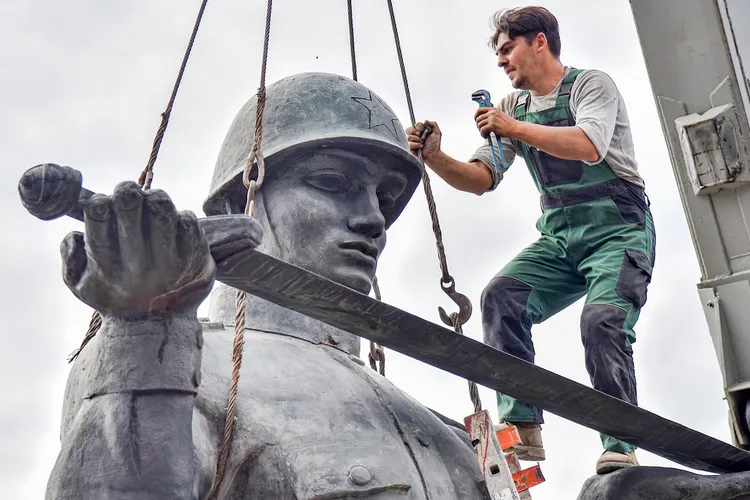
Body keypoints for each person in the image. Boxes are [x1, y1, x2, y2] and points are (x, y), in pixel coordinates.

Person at [44, 72, 492, 499]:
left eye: (386, 197)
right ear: (239, 200)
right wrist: (143, 336)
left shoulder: (444, 436)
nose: (374, 218)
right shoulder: (181, 363)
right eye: (332, 182)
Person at [406, 6, 655, 475]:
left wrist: (512, 128)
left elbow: (589, 145)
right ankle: (522, 427)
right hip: (561, 239)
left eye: (507, 49)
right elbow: (480, 178)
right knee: (501, 298)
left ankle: (620, 444)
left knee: (603, 320)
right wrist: (436, 156)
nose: (501, 61)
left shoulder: (589, 86)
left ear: (538, 41)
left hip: (619, 232)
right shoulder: (511, 110)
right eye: (498, 55)